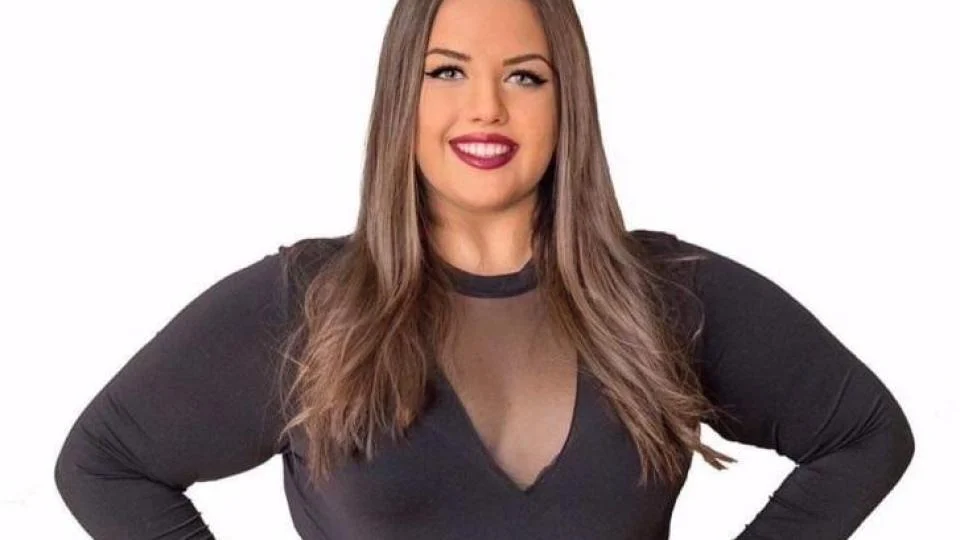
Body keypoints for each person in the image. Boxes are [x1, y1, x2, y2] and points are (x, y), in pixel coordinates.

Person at [53, 0, 914, 538]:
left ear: (568, 103)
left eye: (526, 78)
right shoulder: (309, 305)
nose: (486, 108)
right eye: (448, 71)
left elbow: (867, 434)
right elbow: (103, 463)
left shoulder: (665, 296)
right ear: (403, 96)